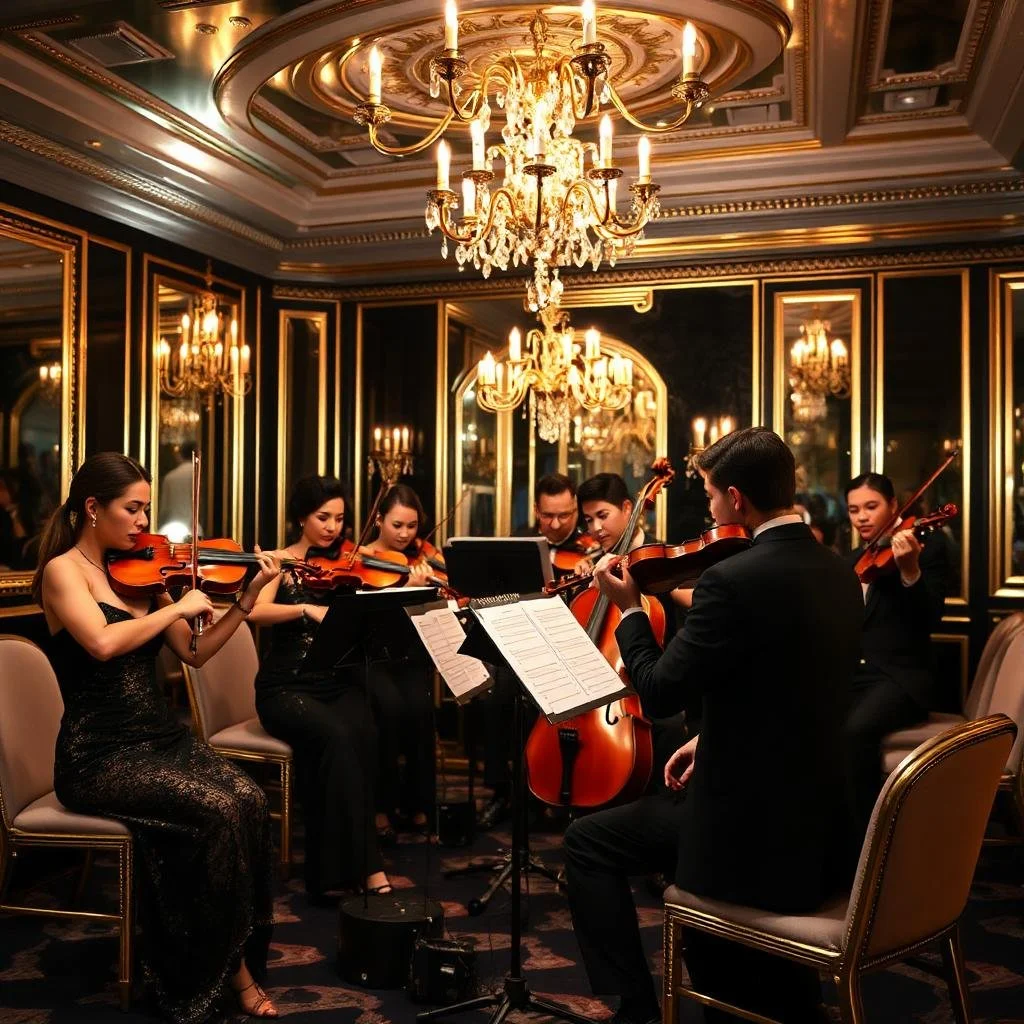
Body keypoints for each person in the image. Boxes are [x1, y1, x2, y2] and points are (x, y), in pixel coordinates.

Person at [564, 428, 863, 1024]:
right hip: (825, 825)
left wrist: (629, 610)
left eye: (708, 496)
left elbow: (657, 691)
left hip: (747, 833)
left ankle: (637, 1007)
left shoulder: (731, 581)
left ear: (736, 498)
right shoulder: (839, 571)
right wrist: (711, 737)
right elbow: (792, 688)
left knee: (586, 842)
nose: (709, 510)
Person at [33, 452, 281, 1022]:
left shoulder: (142, 569)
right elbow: (101, 643)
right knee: (216, 810)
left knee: (247, 798)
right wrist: (178, 607)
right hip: (98, 754)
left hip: (158, 738)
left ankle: (231, 954)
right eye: (133, 508)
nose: (144, 521)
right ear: (92, 508)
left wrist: (246, 597)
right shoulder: (63, 572)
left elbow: (196, 651)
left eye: (146, 508)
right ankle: (219, 974)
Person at [251, 475, 391, 902]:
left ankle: (352, 860)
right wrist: (305, 610)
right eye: (322, 517)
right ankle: (354, 869)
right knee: (336, 736)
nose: (333, 527)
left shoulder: (348, 562)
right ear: (301, 517)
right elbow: (255, 611)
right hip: (285, 687)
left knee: (365, 729)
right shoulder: (279, 561)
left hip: (333, 681)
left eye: (340, 519)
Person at [479, 473, 593, 830]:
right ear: (535, 510)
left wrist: (588, 578)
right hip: (526, 645)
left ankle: (550, 791)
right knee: (498, 694)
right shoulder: (519, 545)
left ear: (576, 509)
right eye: (547, 516)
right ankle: (502, 791)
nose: (556, 524)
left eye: (565, 515)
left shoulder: (591, 548)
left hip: (572, 648)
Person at [842, 471, 949, 845]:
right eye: (854, 509)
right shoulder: (855, 559)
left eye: (871, 506)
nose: (862, 517)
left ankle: (869, 843)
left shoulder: (925, 547)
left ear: (892, 505)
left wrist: (910, 571)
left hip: (902, 679)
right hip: (859, 677)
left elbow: (930, 617)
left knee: (855, 732)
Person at [363, 483, 437, 839]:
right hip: (371, 657)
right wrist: (404, 590)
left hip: (409, 654)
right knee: (389, 711)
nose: (406, 534)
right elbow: (364, 615)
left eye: (412, 526)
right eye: (397, 525)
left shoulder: (422, 558)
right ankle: (380, 806)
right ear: (379, 520)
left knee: (422, 710)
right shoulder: (361, 558)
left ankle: (418, 803)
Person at [160, 441, 198, 533]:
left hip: (172, 528)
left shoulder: (170, 477)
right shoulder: (198, 474)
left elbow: (164, 509)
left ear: (179, 455)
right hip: (193, 527)